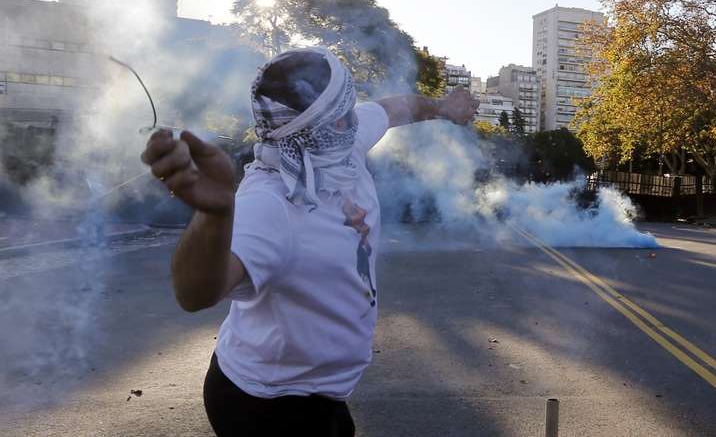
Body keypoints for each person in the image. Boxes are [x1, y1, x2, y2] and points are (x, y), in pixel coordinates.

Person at [140, 47, 478, 437]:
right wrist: (214, 215)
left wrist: (444, 107)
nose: (358, 115)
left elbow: (396, 108)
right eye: (346, 110)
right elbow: (195, 294)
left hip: (320, 395)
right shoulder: (269, 201)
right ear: (327, 123)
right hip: (267, 405)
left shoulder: (341, 141)